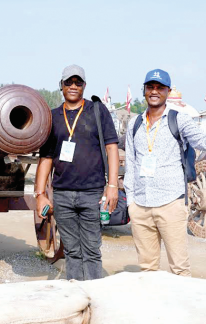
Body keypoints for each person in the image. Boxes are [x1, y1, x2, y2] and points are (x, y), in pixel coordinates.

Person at [124, 69, 206, 276]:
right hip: (140, 206)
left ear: (168, 92)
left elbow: (204, 142)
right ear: (144, 90)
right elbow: (131, 164)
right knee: (147, 270)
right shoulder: (135, 124)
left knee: (179, 268)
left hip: (171, 205)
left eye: (160, 88)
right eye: (150, 87)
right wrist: (131, 202)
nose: (154, 91)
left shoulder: (179, 120)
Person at [35, 64, 119, 280]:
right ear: (60, 86)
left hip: (91, 193)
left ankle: (95, 298)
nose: (73, 86)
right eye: (68, 82)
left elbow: (111, 149)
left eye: (78, 82)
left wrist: (112, 186)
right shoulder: (52, 117)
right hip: (62, 194)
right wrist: (40, 194)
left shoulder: (98, 111)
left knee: (91, 250)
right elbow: (45, 158)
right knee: (72, 251)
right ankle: (76, 295)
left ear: (84, 85)